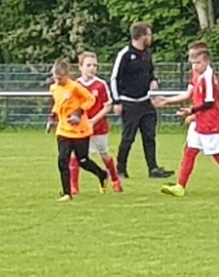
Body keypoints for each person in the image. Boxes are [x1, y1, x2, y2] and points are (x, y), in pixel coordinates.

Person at [154, 49, 219, 197]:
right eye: (192, 63)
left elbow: (209, 103)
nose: (195, 66)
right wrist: (168, 100)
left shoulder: (208, 77)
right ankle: (180, 186)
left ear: (207, 61)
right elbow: (189, 94)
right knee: (189, 151)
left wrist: (191, 111)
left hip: (211, 122)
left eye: (198, 63)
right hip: (199, 121)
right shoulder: (196, 74)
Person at [111, 22, 173, 179]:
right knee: (128, 138)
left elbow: (150, 71)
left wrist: (154, 80)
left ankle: (153, 168)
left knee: (149, 136)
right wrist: (117, 101)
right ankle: (120, 168)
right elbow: (114, 78)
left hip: (145, 102)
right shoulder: (125, 54)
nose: (151, 38)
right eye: (149, 34)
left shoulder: (147, 53)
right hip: (129, 102)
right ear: (142, 36)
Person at [49, 60, 109, 201]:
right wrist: (52, 118)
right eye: (56, 78)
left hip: (80, 130)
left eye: (60, 78)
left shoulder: (75, 87)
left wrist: (78, 113)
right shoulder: (54, 88)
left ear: (67, 75)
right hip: (63, 130)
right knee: (63, 160)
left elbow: (90, 99)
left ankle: (102, 174)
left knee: (83, 160)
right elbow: (58, 104)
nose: (58, 81)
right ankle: (67, 193)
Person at [68, 52, 122, 194]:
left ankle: (115, 179)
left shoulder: (100, 84)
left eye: (95, 65)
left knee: (104, 154)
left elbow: (107, 106)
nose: (92, 68)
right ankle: (74, 187)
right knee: (75, 155)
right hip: (80, 128)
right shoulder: (75, 85)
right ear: (80, 67)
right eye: (88, 65)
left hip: (98, 127)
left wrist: (94, 120)